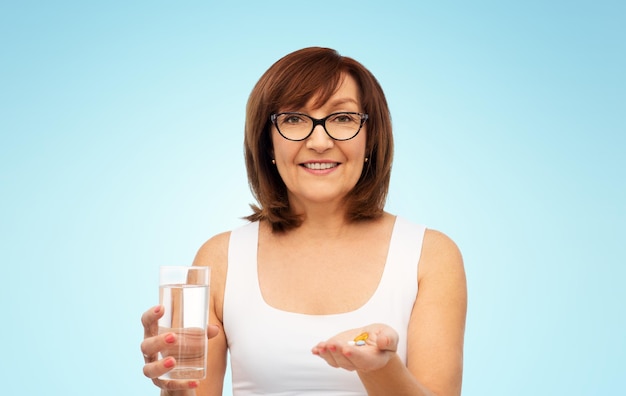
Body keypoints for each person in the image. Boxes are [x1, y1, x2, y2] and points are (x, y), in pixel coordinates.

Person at [140, 47, 467, 396]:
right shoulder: (221, 257)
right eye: (294, 118)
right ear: (268, 142)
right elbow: (192, 391)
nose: (320, 141)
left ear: (370, 137)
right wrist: (174, 386)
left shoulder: (429, 256)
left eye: (343, 118)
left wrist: (380, 368)